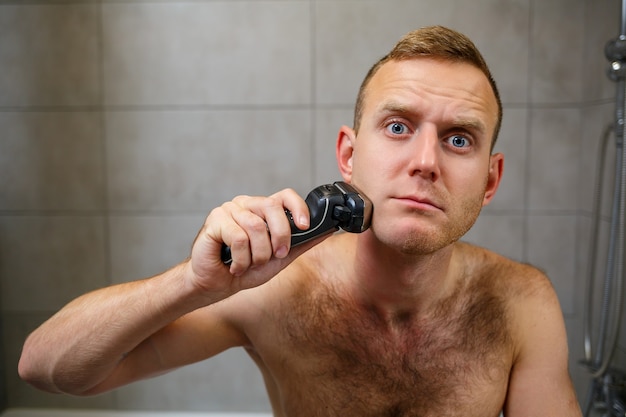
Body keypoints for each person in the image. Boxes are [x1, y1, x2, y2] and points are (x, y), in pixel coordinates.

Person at [18, 25, 582, 416]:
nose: (426, 163)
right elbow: (47, 368)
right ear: (348, 155)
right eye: (397, 127)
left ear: (489, 179)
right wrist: (192, 284)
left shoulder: (520, 304)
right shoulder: (275, 290)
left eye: (459, 139)